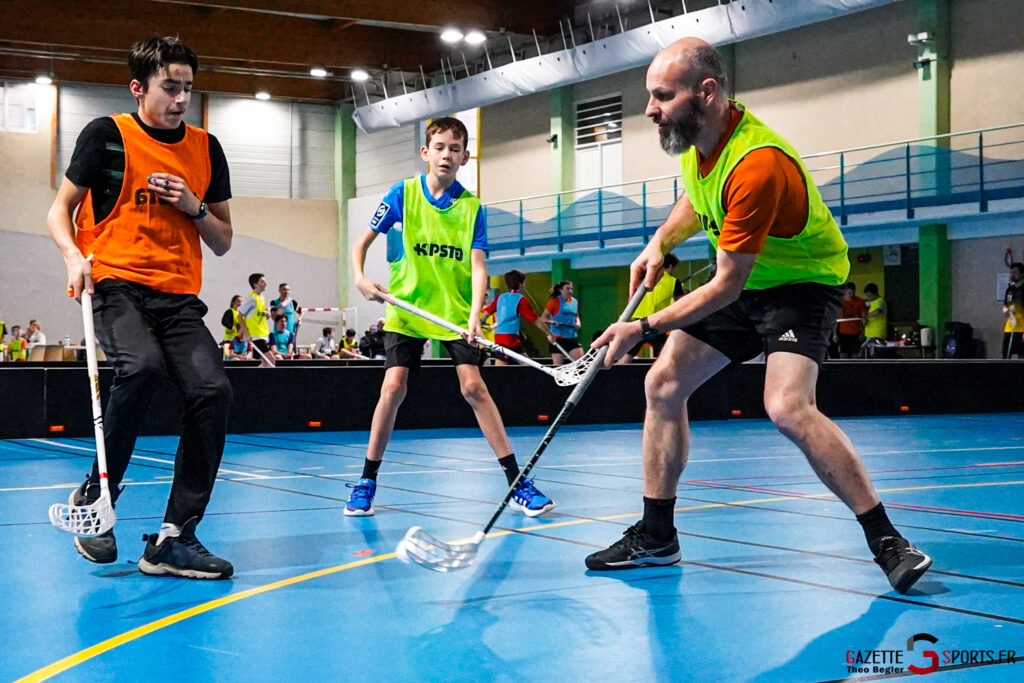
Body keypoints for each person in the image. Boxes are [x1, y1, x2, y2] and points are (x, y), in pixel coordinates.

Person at [587, 38, 930, 594]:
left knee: (787, 406)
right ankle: (657, 537)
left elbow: (725, 286)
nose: (650, 109)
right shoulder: (703, 143)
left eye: (661, 96)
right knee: (664, 383)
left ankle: (886, 539)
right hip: (752, 280)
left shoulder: (758, 164)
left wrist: (643, 327)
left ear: (707, 92)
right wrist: (659, 242)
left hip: (801, 284)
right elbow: (697, 199)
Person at [45, 36, 234, 579]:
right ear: (138, 88)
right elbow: (61, 211)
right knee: (142, 367)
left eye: (189, 90)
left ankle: (175, 537)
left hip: (177, 298)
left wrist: (192, 206)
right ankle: (98, 496)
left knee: (212, 390)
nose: (181, 100)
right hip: (114, 284)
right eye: (170, 88)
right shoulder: (107, 136)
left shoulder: (206, 148)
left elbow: (222, 239)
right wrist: (72, 256)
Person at [348, 116, 554, 518]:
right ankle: (366, 482)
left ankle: (517, 483)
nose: (447, 154)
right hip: (407, 309)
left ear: (464, 157)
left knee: (474, 388)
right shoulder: (402, 194)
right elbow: (363, 242)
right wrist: (359, 277)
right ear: (426, 153)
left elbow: (479, 266)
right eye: (439, 147)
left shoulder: (472, 207)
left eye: (455, 149)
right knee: (393, 387)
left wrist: (477, 314)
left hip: (456, 313)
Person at [480, 269, 553, 365]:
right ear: (520, 284)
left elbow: (485, 316)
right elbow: (535, 320)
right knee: (518, 368)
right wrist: (549, 333)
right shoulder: (521, 300)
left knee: (524, 366)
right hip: (509, 339)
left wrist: (479, 323)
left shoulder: (500, 297)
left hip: (505, 339)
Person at [627, 253, 686, 361]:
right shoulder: (673, 282)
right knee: (661, 357)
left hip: (638, 322)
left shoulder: (645, 279)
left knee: (628, 355)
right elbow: (682, 304)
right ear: (671, 266)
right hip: (656, 324)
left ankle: (617, 376)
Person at [541, 280, 582, 364]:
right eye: (567, 289)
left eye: (571, 289)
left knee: (580, 363)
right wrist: (552, 322)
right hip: (557, 339)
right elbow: (543, 318)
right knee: (558, 366)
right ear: (560, 290)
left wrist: (578, 323)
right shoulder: (554, 301)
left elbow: (576, 315)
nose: (570, 291)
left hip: (571, 337)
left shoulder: (575, 302)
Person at [240, 272, 271, 357]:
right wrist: (245, 332)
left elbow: (254, 313)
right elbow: (239, 315)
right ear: (255, 284)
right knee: (271, 360)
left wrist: (265, 314)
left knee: (264, 362)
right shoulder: (251, 298)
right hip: (255, 335)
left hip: (262, 333)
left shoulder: (261, 297)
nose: (265, 284)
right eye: (262, 282)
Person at [836, 282, 867, 358]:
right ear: (845, 291)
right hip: (843, 332)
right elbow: (836, 319)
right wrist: (834, 333)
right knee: (843, 354)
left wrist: (863, 333)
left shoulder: (860, 301)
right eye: (849, 292)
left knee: (855, 355)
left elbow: (864, 319)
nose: (851, 294)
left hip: (856, 332)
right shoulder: (840, 301)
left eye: (853, 292)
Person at [1002, 262, 1024, 359]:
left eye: (1015, 272)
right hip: (1010, 326)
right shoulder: (1009, 290)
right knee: (1005, 353)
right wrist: (1005, 309)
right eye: (1011, 272)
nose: (1012, 275)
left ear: (1022, 274)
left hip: (1022, 327)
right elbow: (1005, 305)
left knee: (1022, 355)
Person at [861, 283, 888, 355]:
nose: (868, 297)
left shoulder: (879, 301)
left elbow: (877, 311)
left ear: (875, 293)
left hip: (876, 335)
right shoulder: (874, 303)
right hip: (871, 334)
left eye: (869, 295)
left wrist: (866, 317)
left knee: (873, 355)